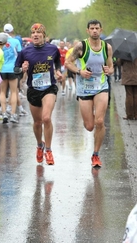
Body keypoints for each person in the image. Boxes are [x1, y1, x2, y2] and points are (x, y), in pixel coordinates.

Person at [65, 19, 114, 167]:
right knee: (89, 126)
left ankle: (96, 155)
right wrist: (80, 71)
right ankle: (93, 120)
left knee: (100, 121)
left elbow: (111, 67)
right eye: (91, 28)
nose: (94, 31)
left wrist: (109, 70)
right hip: (84, 87)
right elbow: (68, 62)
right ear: (87, 31)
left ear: (101, 30)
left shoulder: (107, 47)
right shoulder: (81, 46)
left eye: (97, 28)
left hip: (101, 86)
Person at [15, 23, 62, 165]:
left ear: (44, 35)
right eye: (33, 33)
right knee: (37, 122)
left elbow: (58, 62)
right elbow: (15, 69)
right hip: (34, 89)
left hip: (49, 88)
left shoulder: (53, 49)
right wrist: (22, 69)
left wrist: (58, 71)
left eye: (38, 33)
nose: (35, 35)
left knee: (46, 118)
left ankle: (48, 149)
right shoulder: (25, 51)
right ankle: (39, 145)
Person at [0, 23, 23, 124]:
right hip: (13, 68)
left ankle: (4, 113)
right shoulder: (16, 41)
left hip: (2, 69)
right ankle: (13, 114)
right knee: (13, 92)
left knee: (2, 92)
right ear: (12, 31)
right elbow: (20, 54)